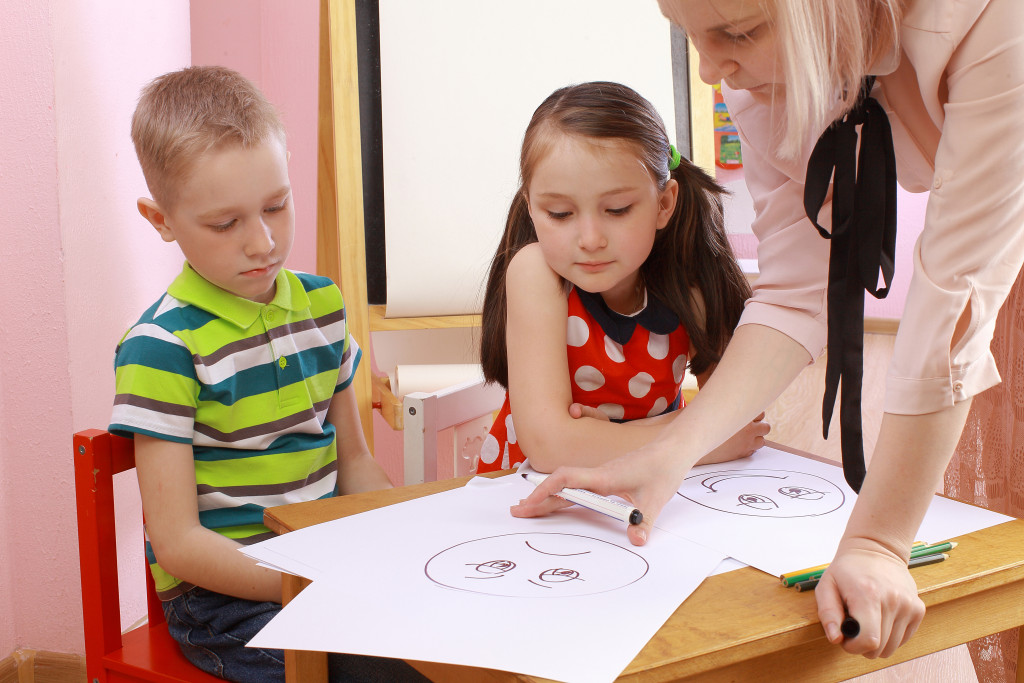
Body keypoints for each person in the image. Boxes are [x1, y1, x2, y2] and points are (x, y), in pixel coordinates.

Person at [513, 0, 1024, 674]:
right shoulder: (759, 76)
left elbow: (951, 304)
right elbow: (797, 287)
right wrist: (674, 450)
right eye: (688, 36)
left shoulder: (999, 24)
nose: (708, 70)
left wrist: (877, 542)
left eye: (739, 33)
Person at [109, 66, 428, 683]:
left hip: (324, 562)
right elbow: (177, 544)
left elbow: (355, 464)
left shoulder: (323, 307)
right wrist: (309, 579)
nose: (262, 243)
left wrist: (399, 544)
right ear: (161, 220)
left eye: (277, 207)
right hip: (224, 599)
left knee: (451, 651)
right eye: (225, 224)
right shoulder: (160, 348)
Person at [476, 81, 767, 476]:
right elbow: (550, 448)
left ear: (664, 203)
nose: (591, 240)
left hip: (656, 496)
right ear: (530, 207)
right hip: (534, 500)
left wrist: (602, 441)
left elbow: (741, 417)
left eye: (617, 209)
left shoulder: (691, 278)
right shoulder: (536, 272)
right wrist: (697, 438)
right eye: (560, 213)